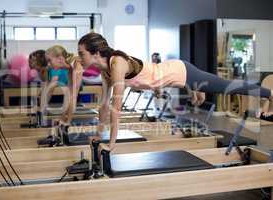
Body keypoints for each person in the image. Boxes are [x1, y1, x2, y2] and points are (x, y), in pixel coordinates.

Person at [77, 32, 273, 151]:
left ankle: (269, 94)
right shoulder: (106, 72)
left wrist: (111, 143)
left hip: (180, 71)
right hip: (175, 78)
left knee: (227, 87)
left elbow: (116, 108)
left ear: (95, 53)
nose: (79, 58)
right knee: (203, 89)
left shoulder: (117, 63)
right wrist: (98, 134)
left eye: (81, 54)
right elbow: (103, 106)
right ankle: (198, 89)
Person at [40, 45, 83, 124]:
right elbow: (68, 97)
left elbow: (73, 97)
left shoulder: (75, 64)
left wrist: (67, 122)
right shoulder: (68, 67)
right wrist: (62, 118)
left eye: (49, 60)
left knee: (73, 95)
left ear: (60, 58)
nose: (49, 64)